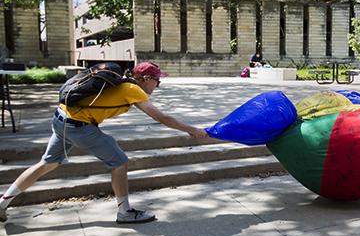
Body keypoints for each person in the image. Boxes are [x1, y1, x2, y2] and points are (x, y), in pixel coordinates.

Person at [0, 61, 207, 223]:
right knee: (120, 162)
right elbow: (162, 118)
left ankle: (3, 203)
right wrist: (191, 130)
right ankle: (125, 212)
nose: (158, 85)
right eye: (157, 81)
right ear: (145, 78)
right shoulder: (133, 89)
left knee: (48, 163)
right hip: (78, 126)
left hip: (60, 118)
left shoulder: (122, 84)